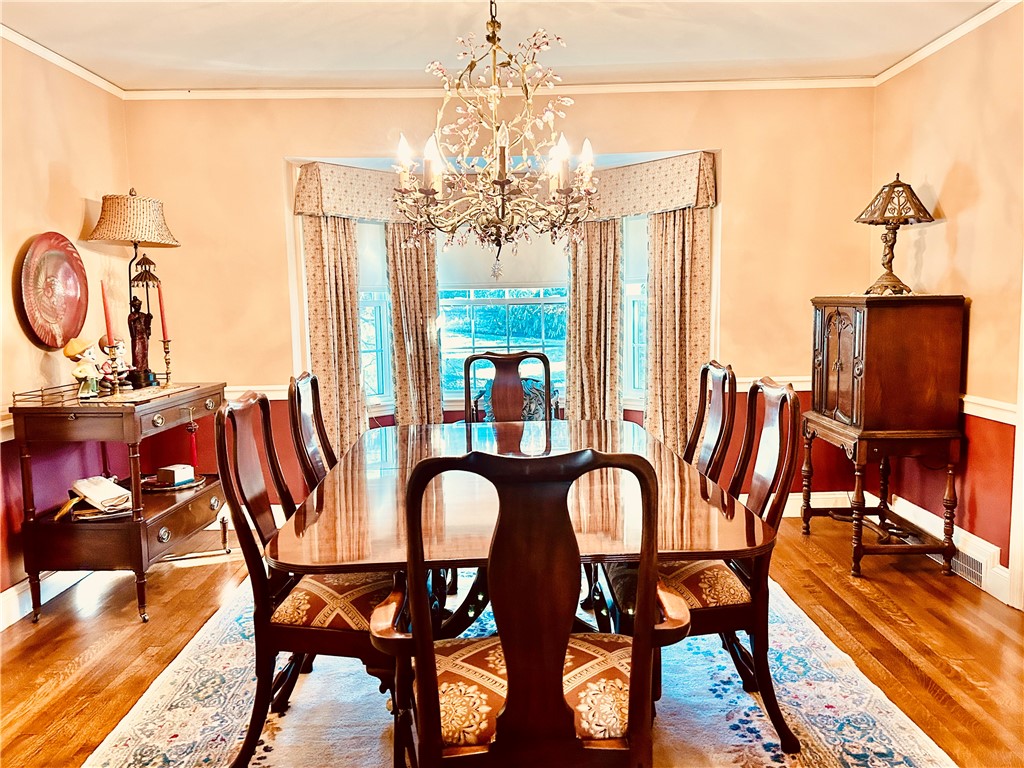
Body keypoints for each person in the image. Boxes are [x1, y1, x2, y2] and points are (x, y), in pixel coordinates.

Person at [127, 295, 152, 374]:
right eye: (136, 306)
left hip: (143, 335)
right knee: (137, 351)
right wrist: (134, 319)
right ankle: (137, 368)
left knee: (144, 351)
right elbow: (130, 323)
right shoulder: (132, 315)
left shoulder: (143, 315)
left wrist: (149, 318)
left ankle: (145, 367)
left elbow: (147, 325)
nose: (138, 307)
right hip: (137, 336)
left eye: (139, 305)